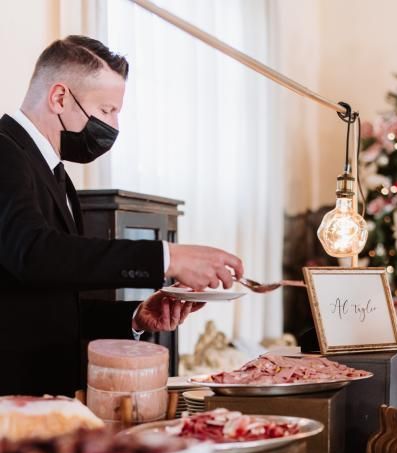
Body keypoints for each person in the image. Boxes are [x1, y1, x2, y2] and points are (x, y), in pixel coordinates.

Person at [0, 35, 243, 396]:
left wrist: (135, 316)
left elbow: (56, 302)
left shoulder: (57, 176)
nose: (114, 125)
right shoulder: (4, 150)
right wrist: (167, 258)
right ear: (59, 97)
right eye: (106, 110)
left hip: (51, 396)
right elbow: (33, 253)